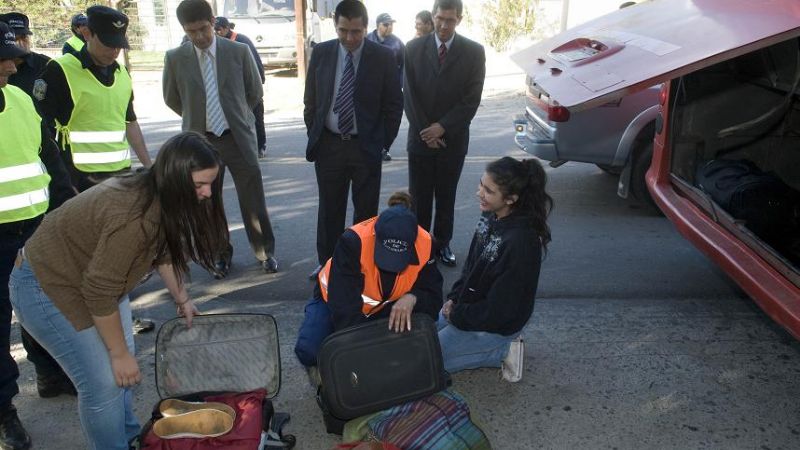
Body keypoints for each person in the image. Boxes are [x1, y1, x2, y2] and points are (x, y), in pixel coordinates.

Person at [9, 131, 228, 450]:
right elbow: (99, 291)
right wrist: (119, 354)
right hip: (46, 287)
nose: (208, 193)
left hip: (89, 279)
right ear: (174, 178)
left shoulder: (157, 191)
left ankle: (127, 438)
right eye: (199, 186)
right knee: (106, 384)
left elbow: (162, 249)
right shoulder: (134, 217)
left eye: (211, 183)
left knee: (120, 374)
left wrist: (182, 298)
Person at [0, 20, 77, 450]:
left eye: (11, 57)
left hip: (34, 229)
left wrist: (63, 207)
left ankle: (48, 374)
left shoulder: (20, 99)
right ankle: (4, 410)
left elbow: (47, 156)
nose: (12, 65)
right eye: (3, 59)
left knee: (43, 308)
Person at [164, 0, 279, 276]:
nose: (200, 36)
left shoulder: (238, 52)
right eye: (192, 31)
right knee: (207, 202)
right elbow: (172, 98)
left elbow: (254, 92)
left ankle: (265, 252)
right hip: (200, 143)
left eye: (204, 28)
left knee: (253, 198)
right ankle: (218, 253)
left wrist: (236, 116)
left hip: (237, 138)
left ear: (213, 21)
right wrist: (197, 119)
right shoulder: (175, 58)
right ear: (184, 29)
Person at [303, 0, 403, 280]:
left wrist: (382, 143)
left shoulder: (382, 56)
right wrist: (318, 134)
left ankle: (360, 264)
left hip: (365, 146)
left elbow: (394, 105)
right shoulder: (321, 53)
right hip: (330, 145)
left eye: (356, 31)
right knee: (329, 210)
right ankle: (329, 264)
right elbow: (311, 101)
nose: (349, 38)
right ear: (335, 25)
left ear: (365, 27)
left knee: (366, 212)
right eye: (343, 30)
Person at [294, 192, 443, 367]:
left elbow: (434, 301)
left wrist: (413, 297)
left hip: (382, 308)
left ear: (413, 242)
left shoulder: (425, 243)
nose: (392, 266)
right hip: (333, 302)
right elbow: (345, 311)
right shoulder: (353, 242)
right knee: (309, 351)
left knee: (417, 350)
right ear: (376, 235)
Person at [438, 157, 553, 382]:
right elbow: (471, 267)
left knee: (427, 362)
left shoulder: (521, 243)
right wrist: (454, 299)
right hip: (471, 310)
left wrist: (458, 316)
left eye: (488, 191)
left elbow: (501, 311)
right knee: (419, 342)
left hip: (496, 326)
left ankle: (502, 351)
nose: (479, 193)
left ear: (511, 199)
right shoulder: (490, 214)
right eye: (481, 184)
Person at [404, 0, 486, 268]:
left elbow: (471, 100)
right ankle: (421, 245)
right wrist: (427, 131)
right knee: (420, 197)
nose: (443, 25)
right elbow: (409, 96)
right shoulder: (413, 48)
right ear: (433, 16)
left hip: (453, 139)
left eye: (450, 20)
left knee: (446, 196)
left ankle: (442, 244)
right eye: (439, 18)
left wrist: (443, 127)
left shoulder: (474, 52)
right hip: (420, 138)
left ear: (459, 20)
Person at [36, 5, 152, 192]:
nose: (114, 51)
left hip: (120, 175)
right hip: (79, 178)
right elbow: (43, 128)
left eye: (119, 45)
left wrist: (149, 168)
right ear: (87, 33)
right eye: (108, 43)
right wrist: (60, 180)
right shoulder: (60, 70)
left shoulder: (122, 74)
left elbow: (130, 122)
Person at [214, 16, 268, 159]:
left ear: (227, 28)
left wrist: (258, 83)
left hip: (249, 88)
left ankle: (261, 146)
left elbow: (255, 63)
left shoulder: (241, 41)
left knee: (256, 117)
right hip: (233, 91)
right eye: (214, 30)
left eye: (219, 29)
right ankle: (241, 147)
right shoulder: (218, 44)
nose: (216, 33)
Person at [366, 12, 405, 162]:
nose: (390, 27)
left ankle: (385, 147)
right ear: (378, 25)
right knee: (372, 119)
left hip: (391, 89)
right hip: (371, 89)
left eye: (391, 24)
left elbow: (404, 64)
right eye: (386, 24)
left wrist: (400, 82)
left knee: (392, 120)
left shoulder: (396, 43)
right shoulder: (367, 40)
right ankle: (374, 147)